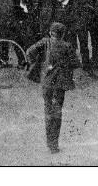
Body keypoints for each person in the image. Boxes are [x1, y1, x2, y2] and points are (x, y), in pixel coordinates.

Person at [26, 21, 81, 154]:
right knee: (57, 112)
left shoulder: (45, 42)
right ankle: (54, 144)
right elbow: (75, 63)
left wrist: (39, 63)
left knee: (48, 110)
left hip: (46, 82)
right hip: (60, 84)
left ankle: (48, 141)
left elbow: (29, 52)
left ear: (51, 33)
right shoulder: (67, 46)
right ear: (63, 34)